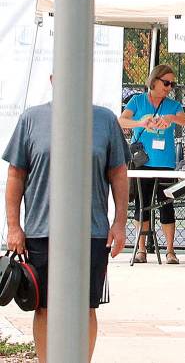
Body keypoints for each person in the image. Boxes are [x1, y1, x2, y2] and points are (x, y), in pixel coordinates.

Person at [3, 82, 129, 362]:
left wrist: (119, 224)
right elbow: (16, 175)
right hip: (41, 231)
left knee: (86, 307)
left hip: (92, 233)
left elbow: (119, 173)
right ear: (51, 79)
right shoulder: (31, 119)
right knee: (44, 306)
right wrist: (14, 227)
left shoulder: (105, 120)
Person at [119, 63, 185, 264]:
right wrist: (142, 123)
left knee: (167, 205)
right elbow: (121, 121)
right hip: (143, 162)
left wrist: (170, 118)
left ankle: (170, 250)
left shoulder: (173, 105)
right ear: (154, 80)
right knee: (142, 205)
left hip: (165, 164)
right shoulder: (137, 101)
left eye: (172, 84)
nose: (169, 87)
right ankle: (141, 249)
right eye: (166, 82)